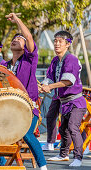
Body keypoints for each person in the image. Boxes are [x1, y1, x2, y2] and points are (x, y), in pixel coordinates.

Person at [0, 13, 47, 170]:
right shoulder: (5, 66)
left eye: (19, 38)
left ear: (25, 46)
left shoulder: (30, 59)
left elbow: (29, 36)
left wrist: (17, 19)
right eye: (13, 39)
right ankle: (2, 167)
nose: (15, 39)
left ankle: (43, 167)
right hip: (9, 109)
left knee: (28, 135)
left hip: (28, 108)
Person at [40, 31, 86, 167]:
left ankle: (78, 157)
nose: (56, 44)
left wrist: (50, 87)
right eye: (55, 41)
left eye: (60, 41)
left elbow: (68, 81)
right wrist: (43, 85)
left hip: (76, 101)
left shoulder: (71, 59)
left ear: (68, 44)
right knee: (63, 129)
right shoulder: (55, 60)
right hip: (64, 101)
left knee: (73, 127)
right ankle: (63, 155)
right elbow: (49, 78)